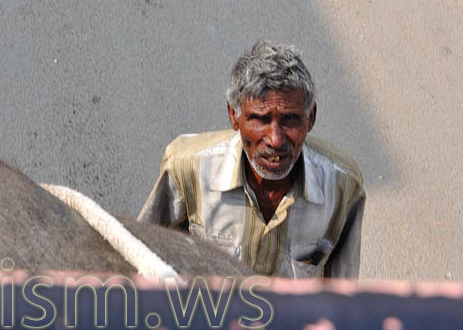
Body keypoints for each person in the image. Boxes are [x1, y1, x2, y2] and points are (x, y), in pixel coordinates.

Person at [138, 41, 365, 278]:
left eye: (290, 120)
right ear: (233, 116)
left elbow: (342, 290)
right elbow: (140, 257)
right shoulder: (187, 169)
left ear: (311, 118)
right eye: (260, 119)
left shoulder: (343, 186)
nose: (275, 140)